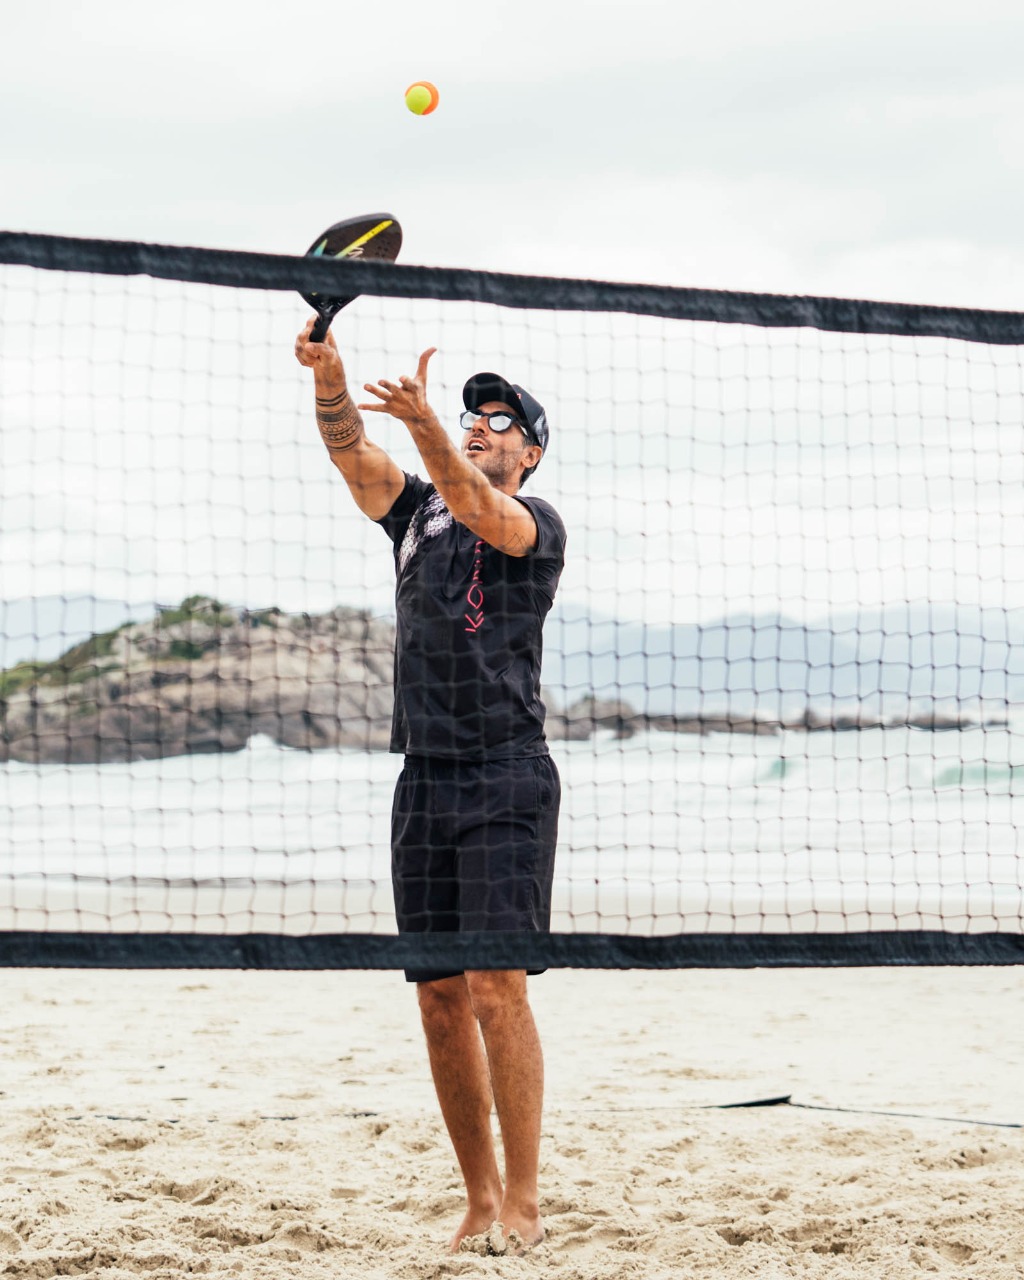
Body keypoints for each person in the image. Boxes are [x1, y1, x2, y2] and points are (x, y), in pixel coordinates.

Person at [293, 320, 566, 1253]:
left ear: (528, 450)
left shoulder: (535, 525)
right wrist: (331, 382)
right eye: (471, 415)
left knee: (498, 987)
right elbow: (351, 455)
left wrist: (428, 430)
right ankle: (480, 1200)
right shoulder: (415, 516)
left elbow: (475, 499)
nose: (481, 425)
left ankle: (524, 1204)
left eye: (501, 420)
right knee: (439, 996)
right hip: (425, 778)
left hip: (507, 776)